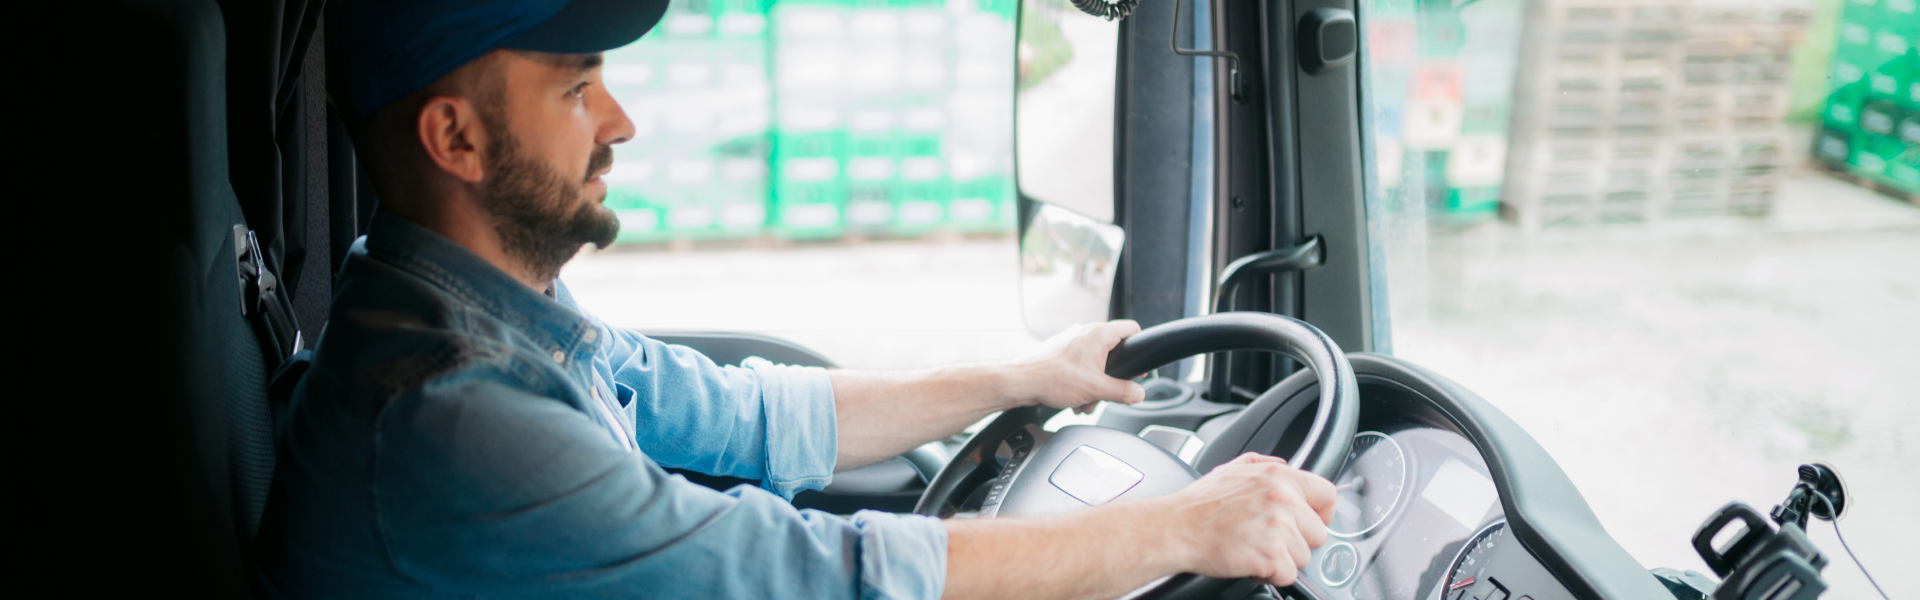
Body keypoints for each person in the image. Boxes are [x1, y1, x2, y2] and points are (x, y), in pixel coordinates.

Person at [262, 0, 1338, 598]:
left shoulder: (479, 322)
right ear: (453, 137)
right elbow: (816, 576)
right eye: (577, 86)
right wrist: (1179, 529)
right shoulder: (453, 416)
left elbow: (750, 410)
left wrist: (1029, 376)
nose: (620, 121)